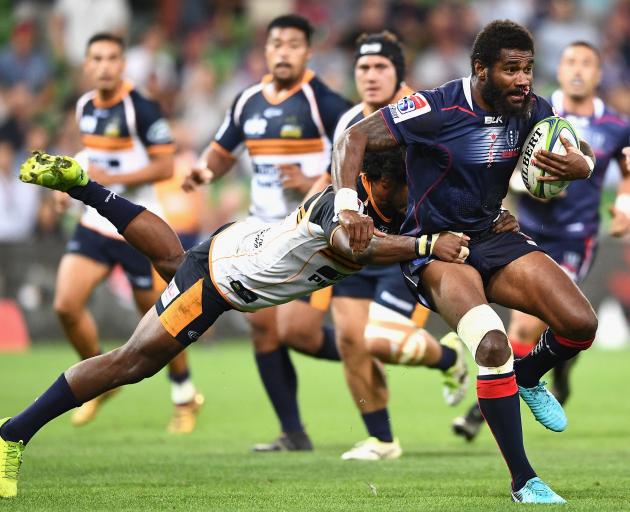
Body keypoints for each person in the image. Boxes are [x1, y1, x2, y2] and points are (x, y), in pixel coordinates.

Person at [0, 147, 472, 498]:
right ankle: (13, 433)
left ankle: (85, 186)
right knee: (133, 361)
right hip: (221, 280)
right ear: (379, 183)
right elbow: (359, 247)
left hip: (239, 243)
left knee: (172, 259)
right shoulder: (342, 208)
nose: (417, 192)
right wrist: (427, 246)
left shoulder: (393, 203)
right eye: (409, 183)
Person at [331, 20, 597, 504]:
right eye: (511, 69)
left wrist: (585, 165)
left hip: (493, 235)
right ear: (481, 70)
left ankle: (529, 375)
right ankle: (525, 481)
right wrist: (348, 207)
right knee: (493, 344)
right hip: (435, 247)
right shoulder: (435, 107)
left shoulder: (533, 108)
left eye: (529, 69)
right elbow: (352, 139)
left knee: (581, 324)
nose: (523, 80)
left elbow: (571, 146)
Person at [291, 31, 470, 461]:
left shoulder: (427, 113)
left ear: (399, 73)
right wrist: (304, 210)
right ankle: (382, 440)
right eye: (363, 69)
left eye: (380, 68)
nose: (370, 77)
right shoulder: (350, 119)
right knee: (352, 343)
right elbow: (335, 176)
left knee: (376, 341)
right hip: (357, 244)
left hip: (412, 245)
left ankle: (447, 359)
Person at [182, 15, 350, 451]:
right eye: (276, 43)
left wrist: (313, 183)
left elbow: (352, 155)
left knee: (301, 333)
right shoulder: (247, 101)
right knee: (265, 332)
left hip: (313, 236)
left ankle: (370, 354)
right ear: (266, 50)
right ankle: (293, 433)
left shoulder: (324, 102)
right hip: (263, 231)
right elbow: (221, 151)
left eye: (293, 44)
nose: (283, 51)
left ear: (308, 52)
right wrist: (202, 172)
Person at [452, 40, 630, 441]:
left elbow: (627, 170)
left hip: (574, 237)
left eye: (587, 61)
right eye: (570, 60)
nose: (578, 68)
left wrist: (624, 208)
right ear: (560, 69)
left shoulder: (617, 127)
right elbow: (505, 159)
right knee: (545, 321)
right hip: (525, 229)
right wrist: (525, 182)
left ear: (599, 74)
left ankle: (480, 412)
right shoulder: (533, 110)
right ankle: (557, 371)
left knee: (530, 322)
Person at [53, 33, 202, 433]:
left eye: (111, 58)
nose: (103, 65)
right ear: (87, 65)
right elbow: (91, 157)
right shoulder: (85, 106)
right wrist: (68, 190)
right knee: (66, 305)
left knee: (158, 321)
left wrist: (109, 179)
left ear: (122, 64)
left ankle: (185, 393)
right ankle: (100, 380)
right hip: (94, 223)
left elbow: (165, 168)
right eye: (96, 58)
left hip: (137, 227)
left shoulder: (142, 107)